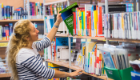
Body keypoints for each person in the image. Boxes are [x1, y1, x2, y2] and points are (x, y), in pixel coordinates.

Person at [6, 12, 82, 80]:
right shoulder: (23, 54)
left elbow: (46, 42)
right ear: (27, 37)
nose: (37, 31)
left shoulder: (32, 46)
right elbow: (46, 72)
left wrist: (57, 22)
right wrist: (69, 74)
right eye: (34, 30)